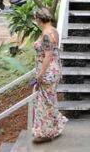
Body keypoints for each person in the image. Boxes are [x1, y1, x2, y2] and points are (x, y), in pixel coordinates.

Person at [32, 8, 67, 143]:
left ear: (39, 20)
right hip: (54, 70)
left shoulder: (46, 34)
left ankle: (45, 132)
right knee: (49, 101)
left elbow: (47, 57)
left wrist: (39, 75)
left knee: (44, 103)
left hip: (47, 72)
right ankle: (53, 128)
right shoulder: (54, 31)